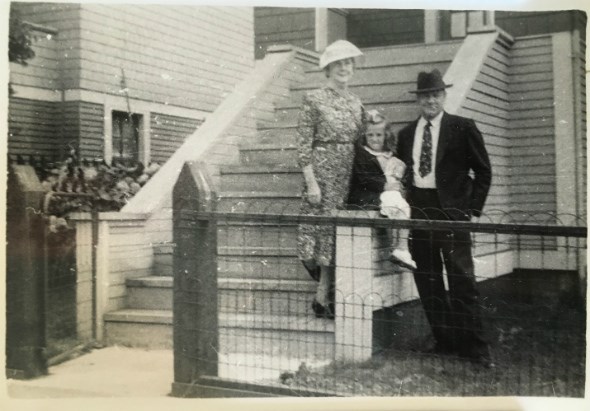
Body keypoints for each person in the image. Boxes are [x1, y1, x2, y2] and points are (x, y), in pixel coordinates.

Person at [396, 69, 494, 367]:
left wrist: (472, 210)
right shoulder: (406, 134)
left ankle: (475, 349)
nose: (431, 100)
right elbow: (401, 175)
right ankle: (446, 342)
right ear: (419, 99)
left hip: (452, 213)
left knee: (461, 279)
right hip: (419, 211)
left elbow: (484, 171)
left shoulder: (462, 128)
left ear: (444, 96)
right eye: (425, 95)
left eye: (436, 94)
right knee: (428, 280)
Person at [297, 40, 365, 320]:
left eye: (348, 63)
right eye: (338, 64)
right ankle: (324, 290)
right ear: (328, 68)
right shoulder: (314, 99)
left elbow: (364, 138)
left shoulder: (356, 102)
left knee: (335, 237)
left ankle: (324, 294)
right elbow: (303, 145)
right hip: (322, 175)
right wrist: (311, 182)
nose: (344, 68)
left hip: (349, 175)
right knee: (316, 238)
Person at [347, 109, 416, 270]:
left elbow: (403, 172)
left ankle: (398, 248)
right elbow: (363, 178)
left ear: (386, 136)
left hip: (387, 195)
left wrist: (400, 182)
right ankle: (402, 248)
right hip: (366, 194)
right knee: (398, 204)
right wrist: (385, 185)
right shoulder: (362, 154)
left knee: (398, 204)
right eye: (370, 135)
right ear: (364, 136)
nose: (374, 139)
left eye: (379, 135)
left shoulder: (391, 154)